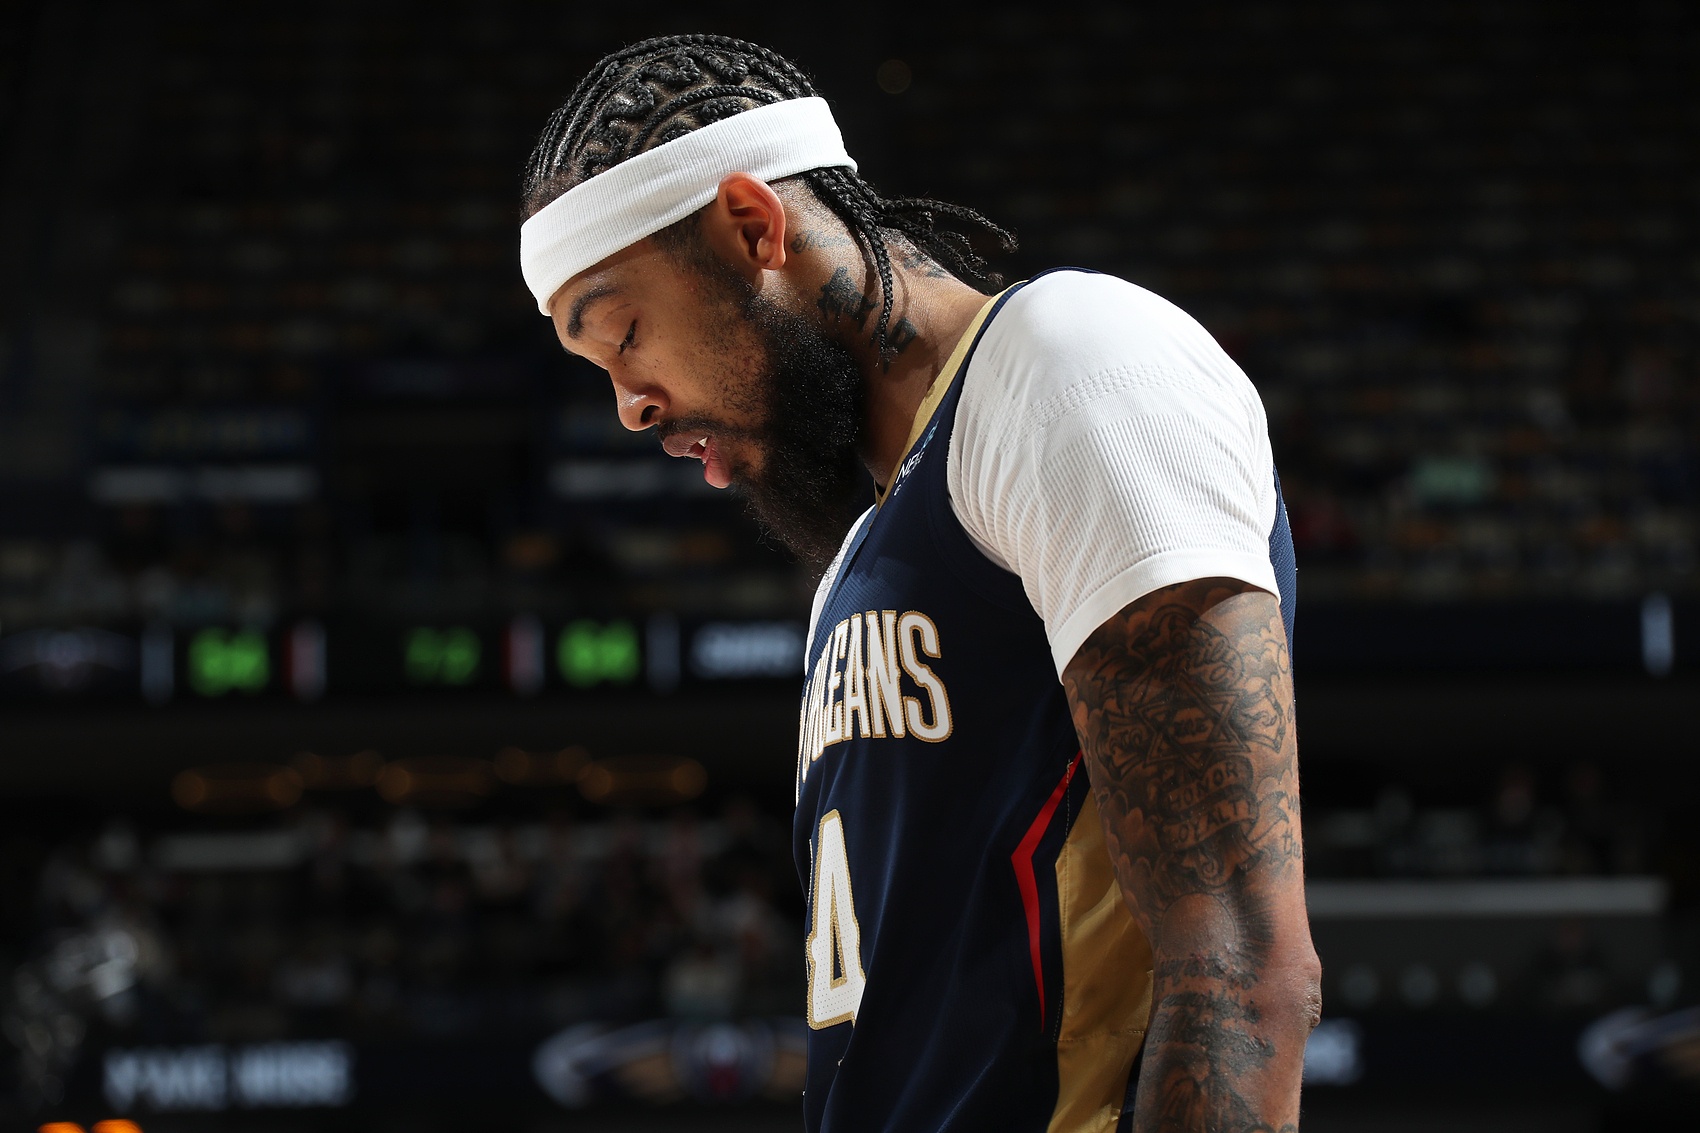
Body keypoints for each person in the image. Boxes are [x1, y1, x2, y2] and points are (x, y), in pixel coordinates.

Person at [519, 34, 1320, 1133]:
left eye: (623, 332)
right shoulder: (861, 557)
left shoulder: (1075, 367)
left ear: (752, 227)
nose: (630, 406)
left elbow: (1238, 968)